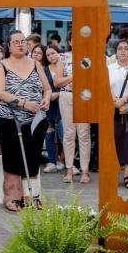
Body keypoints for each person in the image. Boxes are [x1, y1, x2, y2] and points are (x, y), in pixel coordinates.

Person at [0, 30, 51, 211]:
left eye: (23, 41)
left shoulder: (35, 64)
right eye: (16, 42)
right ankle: (12, 196)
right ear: (9, 46)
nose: (20, 44)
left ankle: (32, 196)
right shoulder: (2, 65)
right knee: (13, 156)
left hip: (35, 118)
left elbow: (47, 89)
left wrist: (46, 99)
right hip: (8, 118)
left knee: (33, 156)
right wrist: (24, 103)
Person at [54, 30, 92, 184]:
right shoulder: (62, 57)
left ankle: (85, 171)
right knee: (69, 133)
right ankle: (69, 169)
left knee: (84, 134)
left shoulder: (91, 57)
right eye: (74, 39)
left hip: (85, 97)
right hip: (66, 95)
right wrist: (74, 77)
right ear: (70, 41)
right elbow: (57, 82)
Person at [108, 39, 128, 188]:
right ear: (115, 52)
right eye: (120, 48)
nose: (122, 51)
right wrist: (117, 103)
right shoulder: (109, 69)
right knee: (114, 143)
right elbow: (104, 88)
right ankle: (114, 173)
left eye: (126, 49)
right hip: (113, 112)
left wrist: (125, 100)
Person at [43, 45, 64, 173]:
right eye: (48, 55)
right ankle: (52, 162)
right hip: (49, 106)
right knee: (49, 134)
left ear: (58, 53)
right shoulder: (45, 70)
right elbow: (43, 87)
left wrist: (59, 94)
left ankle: (65, 161)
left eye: (53, 53)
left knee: (64, 134)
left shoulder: (66, 68)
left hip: (63, 105)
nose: (51, 56)